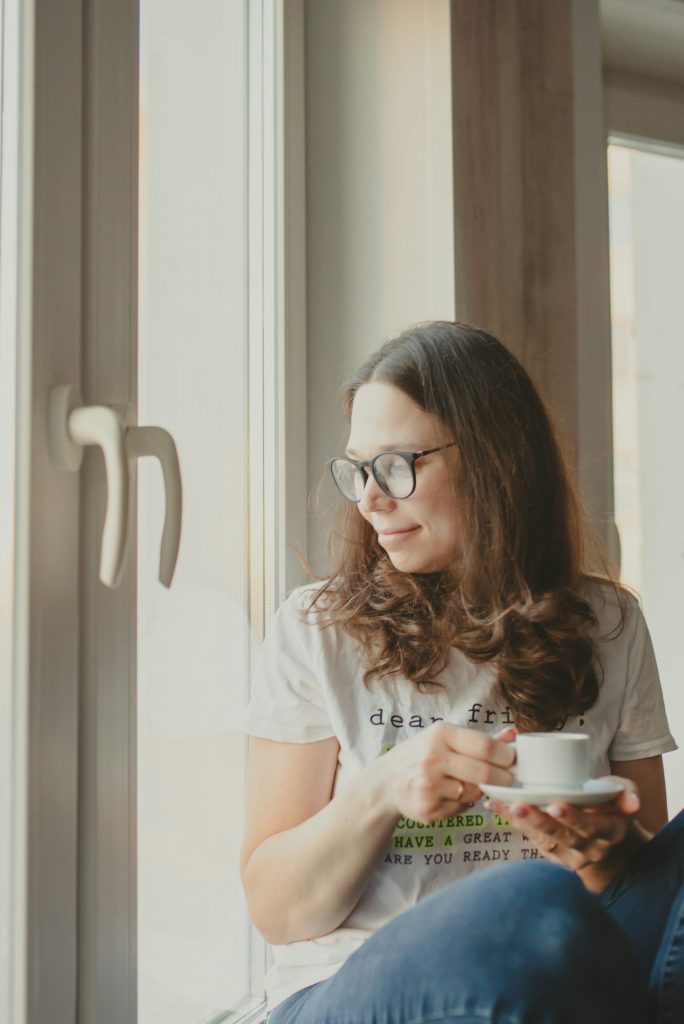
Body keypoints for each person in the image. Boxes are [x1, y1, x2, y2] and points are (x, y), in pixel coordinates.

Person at [241, 321, 683, 1024]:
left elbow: (654, 906)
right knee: (530, 900)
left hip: (559, 983)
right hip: (343, 991)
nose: (369, 498)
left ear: (494, 460)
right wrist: (382, 788)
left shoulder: (609, 624)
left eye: (396, 466)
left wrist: (602, 847)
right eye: (359, 468)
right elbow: (276, 910)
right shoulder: (318, 627)